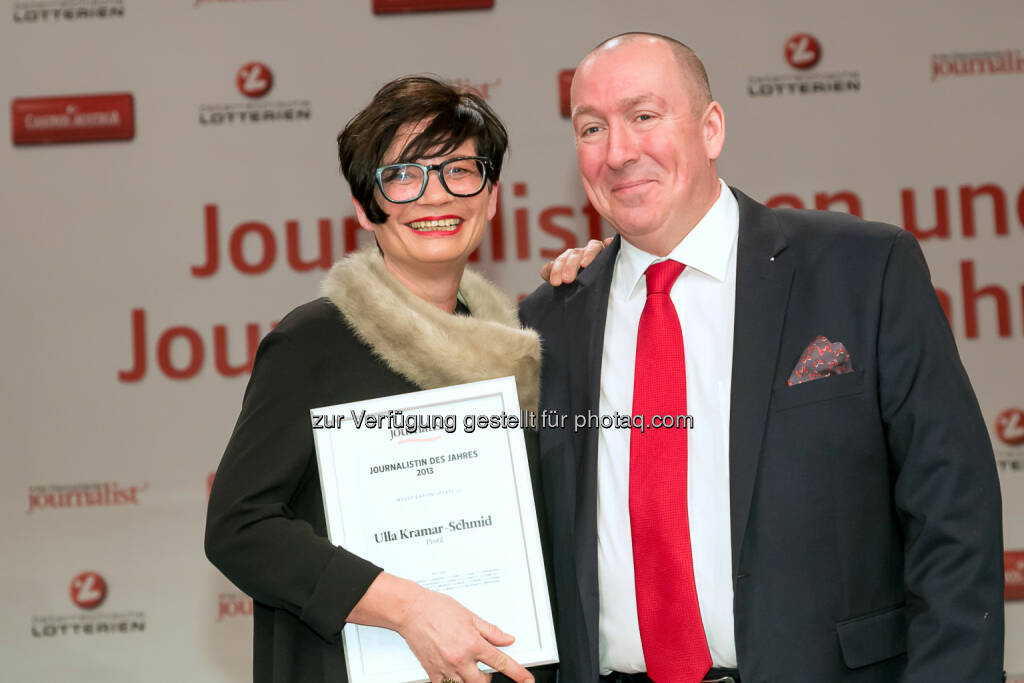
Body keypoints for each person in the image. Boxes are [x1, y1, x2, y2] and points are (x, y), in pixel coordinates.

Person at [520, 33, 1005, 683]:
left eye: (643, 116)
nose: (619, 151)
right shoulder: (545, 322)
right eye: (591, 127)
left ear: (712, 128)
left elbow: (954, 517)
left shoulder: (862, 271)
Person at [205, 76, 551, 683]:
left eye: (460, 171)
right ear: (367, 206)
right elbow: (240, 527)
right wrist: (408, 607)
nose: (435, 196)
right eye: (404, 176)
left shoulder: (520, 353)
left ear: (492, 196)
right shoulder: (313, 343)